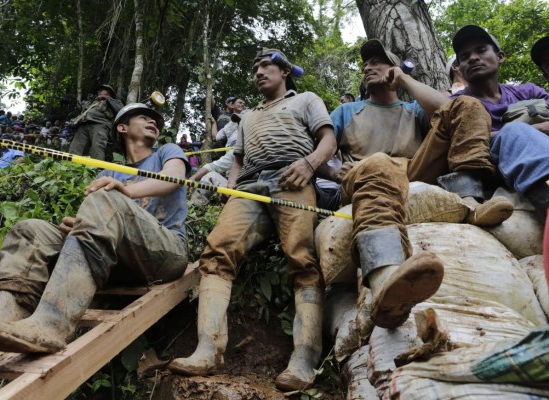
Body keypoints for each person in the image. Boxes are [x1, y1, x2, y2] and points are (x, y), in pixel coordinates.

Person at [0, 103, 191, 353]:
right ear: (122, 127)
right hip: (117, 260)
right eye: (144, 117)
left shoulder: (166, 151)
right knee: (30, 230)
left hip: (166, 252)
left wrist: (125, 192)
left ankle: (51, 324)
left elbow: (175, 177)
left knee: (107, 200)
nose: (153, 122)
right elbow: (100, 215)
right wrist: (79, 226)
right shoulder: (109, 171)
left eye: (155, 121)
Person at [169, 48, 337, 391]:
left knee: (301, 257)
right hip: (249, 186)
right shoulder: (246, 118)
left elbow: (328, 140)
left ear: (285, 72)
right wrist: (231, 187)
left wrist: (308, 165)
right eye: (255, 67)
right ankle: (208, 348)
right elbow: (238, 158)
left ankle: (305, 356)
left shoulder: (306, 99)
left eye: (266, 66)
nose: (259, 72)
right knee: (217, 252)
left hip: (292, 178)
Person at [323, 39, 513, 334]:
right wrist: (335, 172)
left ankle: (471, 202)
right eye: (366, 65)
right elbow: (321, 153)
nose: (369, 67)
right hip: (367, 174)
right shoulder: (347, 111)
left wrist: (405, 80)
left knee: (469, 104)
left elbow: (451, 108)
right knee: (378, 162)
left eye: (378, 62)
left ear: (394, 69)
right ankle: (385, 281)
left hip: (412, 170)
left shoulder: (413, 109)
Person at [451, 25, 549, 218]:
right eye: (464, 56)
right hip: (497, 169)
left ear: (500, 56)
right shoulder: (457, 103)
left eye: (481, 50)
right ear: (459, 68)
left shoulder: (528, 91)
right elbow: (462, 142)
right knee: (514, 132)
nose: (472, 58)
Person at [69, 84, 123, 160]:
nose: (98, 91)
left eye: (101, 90)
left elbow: (120, 110)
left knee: (97, 148)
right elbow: (83, 113)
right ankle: (70, 168)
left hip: (100, 125)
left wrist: (107, 98)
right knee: (76, 147)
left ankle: (96, 170)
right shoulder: (92, 102)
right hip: (84, 124)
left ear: (108, 92)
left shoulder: (115, 101)